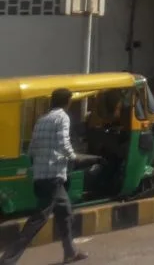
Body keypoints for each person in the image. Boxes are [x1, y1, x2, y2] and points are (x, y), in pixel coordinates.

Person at [0, 88, 88, 264]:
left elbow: (32, 148)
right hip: (53, 176)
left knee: (65, 212)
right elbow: (64, 142)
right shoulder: (62, 117)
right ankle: (8, 259)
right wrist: (74, 157)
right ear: (67, 102)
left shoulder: (41, 120)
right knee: (38, 220)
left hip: (41, 176)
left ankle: (70, 251)